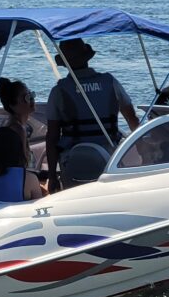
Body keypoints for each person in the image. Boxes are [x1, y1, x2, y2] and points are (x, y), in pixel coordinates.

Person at [45, 38, 139, 192]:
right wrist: (145, 149)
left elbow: (52, 137)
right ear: (87, 58)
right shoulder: (110, 82)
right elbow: (132, 120)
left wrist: (52, 177)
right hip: (109, 159)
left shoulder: (59, 91)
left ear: (65, 63)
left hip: (74, 161)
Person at [0, 76, 36, 166]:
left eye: (31, 95)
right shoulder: (18, 129)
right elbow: (22, 164)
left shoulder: (8, 123)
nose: (32, 99)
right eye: (26, 98)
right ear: (12, 105)